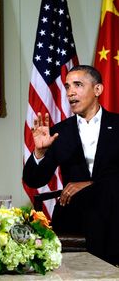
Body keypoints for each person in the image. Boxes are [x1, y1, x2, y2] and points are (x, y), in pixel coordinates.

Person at [23, 65, 119, 266]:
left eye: (78, 85)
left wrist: (90, 184)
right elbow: (34, 181)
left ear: (98, 90)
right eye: (67, 87)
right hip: (76, 210)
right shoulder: (60, 132)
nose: (70, 92)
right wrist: (39, 153)